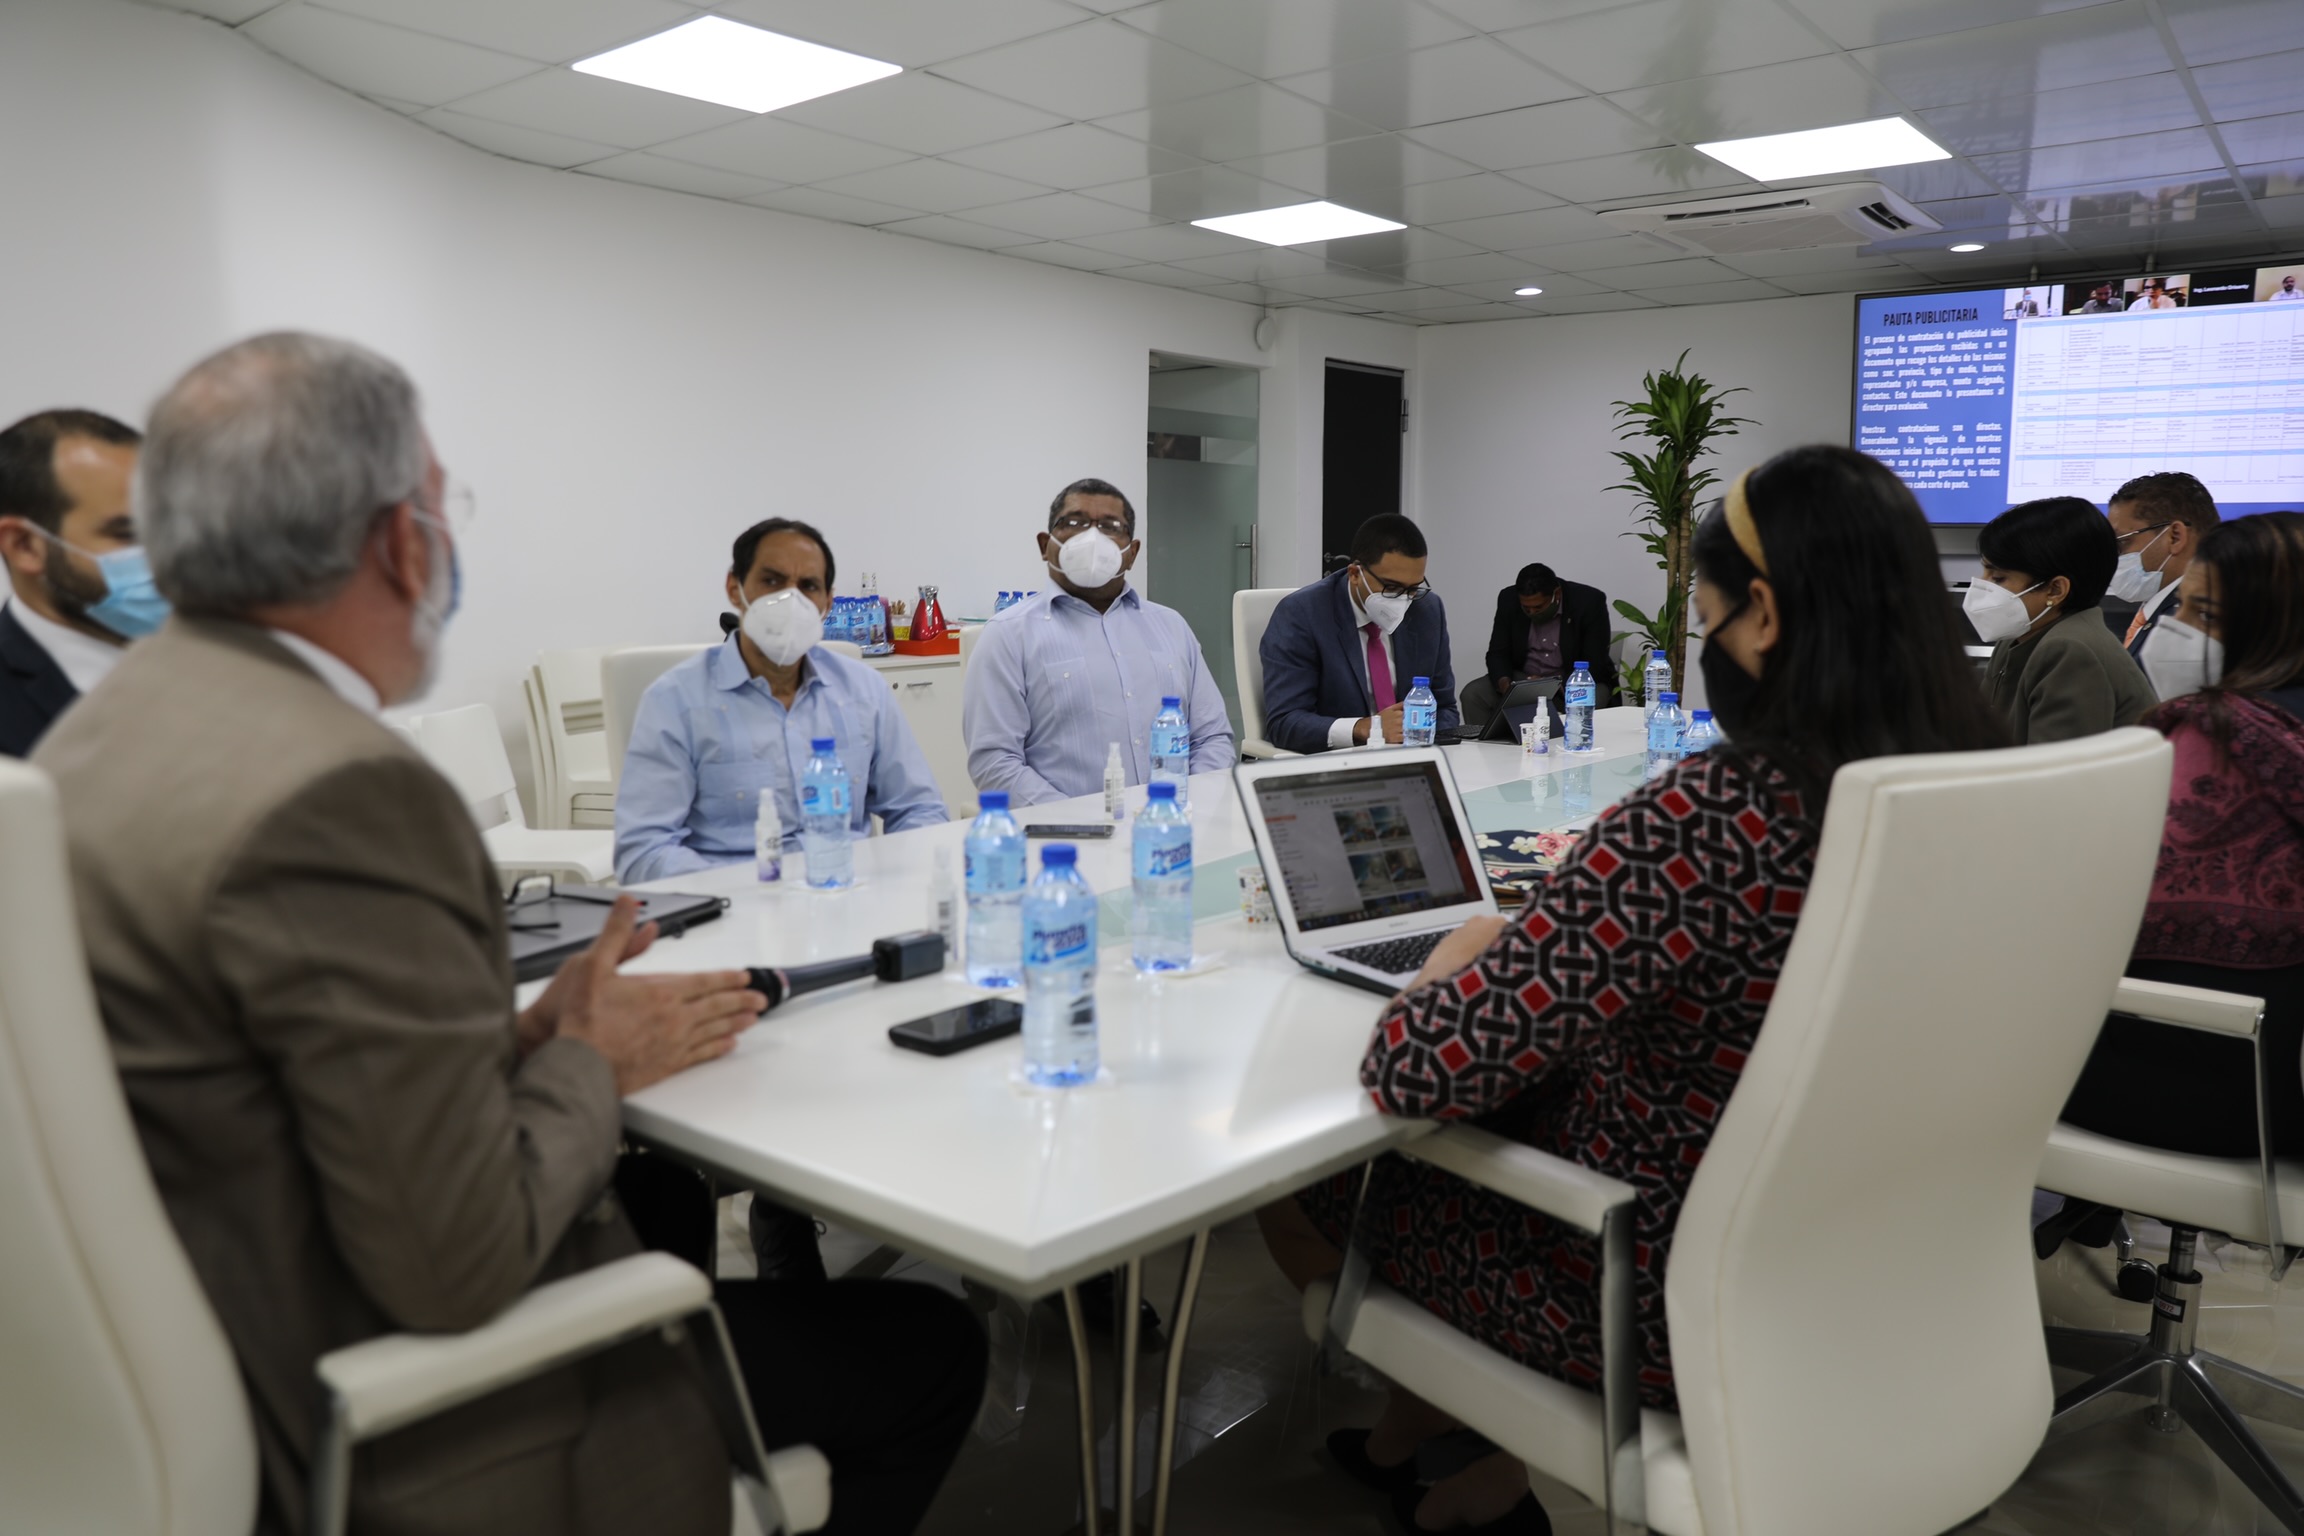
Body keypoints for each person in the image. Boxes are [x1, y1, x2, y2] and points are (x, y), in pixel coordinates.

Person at [35, 333, 984, 1536]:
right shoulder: (343, 790)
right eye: (448, 511)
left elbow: (283, 1056)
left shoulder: (96, 734)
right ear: (401, 541)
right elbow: (455, 1260)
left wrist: (533, 1035)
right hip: (400, 1415)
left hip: (225, 1323)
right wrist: (591, 1056)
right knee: (933, 1345)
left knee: (662, 1190)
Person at [1257, 445, 2009, 1532]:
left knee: (1308, 1178)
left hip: (1643, 1288)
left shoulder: (1714, 815)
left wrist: (1452, 967)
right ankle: (1446, 1455)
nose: (1702, 642)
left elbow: (1418, 1070)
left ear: (1761, 619)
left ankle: (1460, 1418)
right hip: (1878, 1260)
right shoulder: (1970, 788)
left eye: (1704, 617)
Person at [2055, 513, 2304, 1212]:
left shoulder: (2210, 741)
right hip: (2282, 1096)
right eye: (2183, 607)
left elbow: (2084, 916)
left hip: (2208, 1088)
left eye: (2207, 615)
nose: (2178, 628)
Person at [617, 517, 947, 885]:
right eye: (772, 581)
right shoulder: (675, 701)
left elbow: (920, 811)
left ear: (827, 602)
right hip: (731, 905)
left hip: (847, 893)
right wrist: (748, 890)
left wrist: (891, 880)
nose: (791, 600)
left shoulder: (864, 691)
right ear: (734, 588)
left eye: (808, 586)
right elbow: (643, 851)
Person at [963, 477, 1234, 804]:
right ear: (1045, 546)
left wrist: (1192, 805)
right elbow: (995, 762)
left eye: (1110, 527)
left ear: (1131, 553)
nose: (1092, 537)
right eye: (1074, 523)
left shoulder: (1171, 626)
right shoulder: (1008, 634)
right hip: (1065, 831)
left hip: (1172, 822)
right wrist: (1078, 822)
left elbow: (1212, 737)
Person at [0, 409, 154, 755]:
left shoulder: (231, 655)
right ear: (24, 546)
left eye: (170, 527)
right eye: (129, 534)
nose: (168, 555)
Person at [1260, 513, 1458, 753]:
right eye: (1392, 587)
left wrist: (1417, 732)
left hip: (1412, 756)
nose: (1403, 600)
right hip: (1337, 761)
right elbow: (1285, 723)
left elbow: (1445, 709)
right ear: (1355, 574)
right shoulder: (1302, 614)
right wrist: (1364, 728)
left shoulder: (1427, 610)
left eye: (1413, 589)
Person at [1971, 496, 2156, 743]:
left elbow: (2054, 765)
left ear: (2055, 590)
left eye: (1997, 578)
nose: (1982, 586)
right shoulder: (2017, 636)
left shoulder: (2070, 650)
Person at [1462, 562, 1620, 731]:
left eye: (1538, 607)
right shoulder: (1508, 599)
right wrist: (1506, 686)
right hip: (1524, 680)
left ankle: (1576, 743)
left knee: (1590, 698)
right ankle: (1487, 744)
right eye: (1526, 608)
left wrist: (1551, 685)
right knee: (1473, 694)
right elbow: (1497, 653)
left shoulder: (1588, 601)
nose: (1532, 613)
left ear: (1556, 594)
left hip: (1571, 681)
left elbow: (1595, 661)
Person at [2106, 470, 2220, 661]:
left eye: (2121, 542)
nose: (2112, 557)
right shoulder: (2161, 609)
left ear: (2175, 537)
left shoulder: (2188, 626)